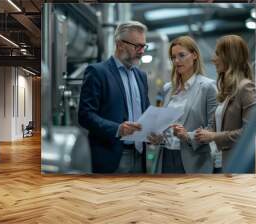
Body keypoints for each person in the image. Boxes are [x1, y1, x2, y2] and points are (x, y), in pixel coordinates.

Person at [78, 21, 150, 173]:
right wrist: (118, 129)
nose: (142, 51)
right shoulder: (98, 72)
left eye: (144, 46)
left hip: (139, 155)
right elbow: (85, 115)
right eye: (137, 46)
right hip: (111, 156)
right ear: (120, 44)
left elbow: (146, 113)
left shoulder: (141, 76)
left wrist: (153, 131)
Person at [148, 35, 218, 174]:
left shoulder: (208, 87)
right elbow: (163, 124)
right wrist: (158, 137)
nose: (177, 61)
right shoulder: (168, 88)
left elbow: (213, 129)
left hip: (193, 159)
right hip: (166, 156)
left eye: (181, 55)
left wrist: (188, 136)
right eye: (173, 57)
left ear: (194, 55)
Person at [194, 35, 256, 173]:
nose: (213, 58)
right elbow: (220, 126)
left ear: (230, 56)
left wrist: (213, 136)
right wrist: (206, 133)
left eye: (217, 53)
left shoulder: (245, 88)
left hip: (237, 164)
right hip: (220, 163)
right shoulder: (228, 91)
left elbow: (249, 133)